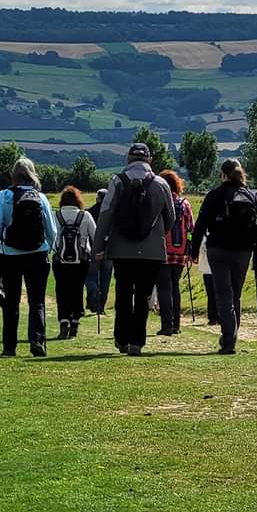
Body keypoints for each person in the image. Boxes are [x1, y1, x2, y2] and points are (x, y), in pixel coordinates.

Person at [92, 143, 175, 356]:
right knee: (143, 296)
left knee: (124, 293)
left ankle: (121, 337)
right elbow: (171, 218)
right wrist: (157, 234)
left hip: (121, 249)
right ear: (150, 159)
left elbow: (106, 214)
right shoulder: (161, 184)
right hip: (152, 251)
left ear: (128, 159)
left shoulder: (118, 181)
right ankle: (137, 341)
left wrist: (98, 247)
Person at [191, 159, 257, 355]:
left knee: (223, 294)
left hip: (218, 249)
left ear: (222, 174)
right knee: (236, 295)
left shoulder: (214, 195)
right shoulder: (250, 196)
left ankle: (229, 339)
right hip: (243, 251)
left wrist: (193, 251)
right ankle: (231, 336)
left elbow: (200, 224)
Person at [0, 158, 57, 357]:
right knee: (37, 301)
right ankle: (38, 341)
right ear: (32, 174)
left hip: (10, 255)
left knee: (11, 302)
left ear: (14, 175)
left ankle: (9, 347)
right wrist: (50, 248)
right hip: (38, 254)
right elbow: (51, 230)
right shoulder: (40, 197)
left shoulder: (4, 196)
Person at [52, 185, 97, 339]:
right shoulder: (85, 216)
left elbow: (50, 236)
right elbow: (95, 235)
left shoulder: (56, 216)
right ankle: (75, 322)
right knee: (77, 290)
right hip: (81, 260)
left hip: (60, 260)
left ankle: (63, 322)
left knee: (62, 290)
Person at [155, 169, 193, 336]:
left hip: (162, 250)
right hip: (180, 251)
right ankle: (176, 324)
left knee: (164, 287)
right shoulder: (185, 203)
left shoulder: (160, 201)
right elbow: (191, 228)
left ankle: (166, 324)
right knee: (175, 286)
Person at [85, 188, 113, 315]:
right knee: (105, 279)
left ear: (97, 198)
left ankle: (93, 295)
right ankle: (101, 306)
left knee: (91, 278)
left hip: (92, 250)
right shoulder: (111, 213)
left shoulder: (88, 212)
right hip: (108, 251)